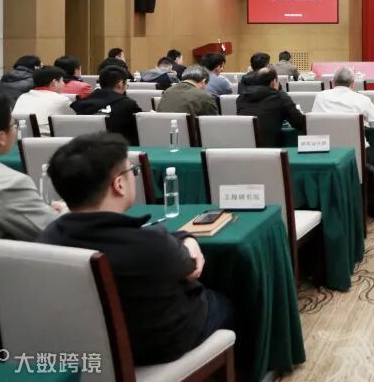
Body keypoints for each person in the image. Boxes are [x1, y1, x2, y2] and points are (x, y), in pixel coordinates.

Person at [38, 133, 233, 365]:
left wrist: (183, 237)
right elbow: (191, 267)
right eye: (132, 171)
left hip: (85, 348)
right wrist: (189, 240)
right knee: (226, 301)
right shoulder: (151, 245)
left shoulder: (47, 239)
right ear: (119, 184)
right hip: (157, 346)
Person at [0, 90, 60, 348]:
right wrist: (63, 213)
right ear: (1, 137)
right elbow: (58, 236)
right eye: (13, 125)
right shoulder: (5, 182)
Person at [236, 67, 306, 147]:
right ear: (274, 82)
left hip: (243, 148)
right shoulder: (280, 96)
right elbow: (299, 123)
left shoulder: (241, 97)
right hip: (270, 149)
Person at [70, 67, 142, 145]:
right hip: (119, 148)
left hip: (86, 148)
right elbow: (141, 127)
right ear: (120, 84)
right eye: (126, 84)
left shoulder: (80, 104)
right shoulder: (128, 104)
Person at [311, 67, 374, 131]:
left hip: (327, 142)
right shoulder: (362, 99)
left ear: (333, 82)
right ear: (353, 83)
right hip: (355, 143)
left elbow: (313, 121)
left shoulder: (320, 96)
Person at [12, 66, 75, 135]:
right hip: (49, 139)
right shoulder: (61, 100)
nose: (64, 84)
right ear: (54, 82)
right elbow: (73, 122)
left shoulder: (23, 97)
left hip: (20, 138)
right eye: (62, 80)